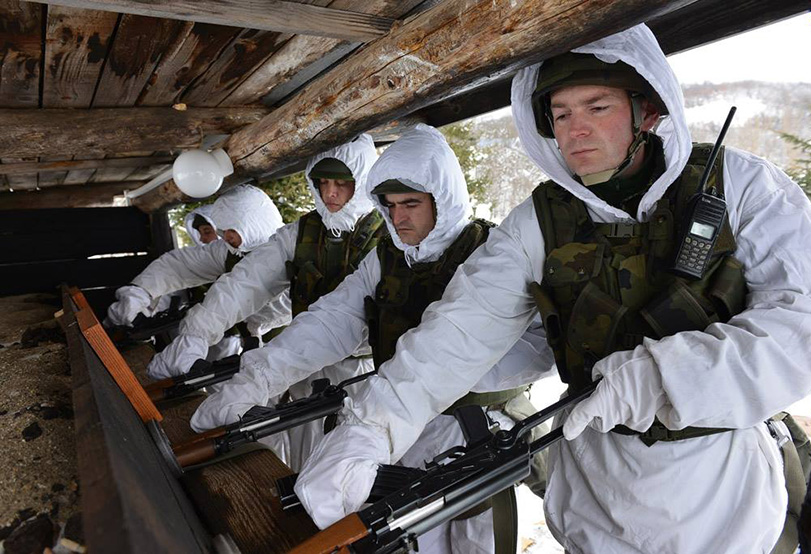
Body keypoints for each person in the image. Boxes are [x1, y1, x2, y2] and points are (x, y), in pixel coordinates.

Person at [293, 24, 811, 554]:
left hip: (722, 482)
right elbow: (457, 331)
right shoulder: (542, 221)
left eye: (598, 108)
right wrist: (368, 429)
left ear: (649, 111)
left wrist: (659, 379)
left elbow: (803, 329)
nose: (577, 132)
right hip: (594, 485)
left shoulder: (741, 187)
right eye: (562, 114)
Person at [191, 124, 555, 553]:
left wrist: (439, 378)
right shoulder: (387, 259)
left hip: (473, 432)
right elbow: (331, 320)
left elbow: (540, 348)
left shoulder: (493, 251)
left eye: (411, 203)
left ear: (443, 198)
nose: (398, 218)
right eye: (389, 204)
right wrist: (257, 378)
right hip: (398, 424)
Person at [146, 135, 386, 467]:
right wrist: (198, 331)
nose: (330, 193)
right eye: (323, 181)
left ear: (361, 183)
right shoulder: (303, 232)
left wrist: (259, 377)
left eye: (342, 183)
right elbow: (248, 280)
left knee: (348, 467)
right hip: (303, 370)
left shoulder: (388, 239)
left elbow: (346, 320)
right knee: (298, 460)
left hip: (360, 372)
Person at [104, 185, 290, 362]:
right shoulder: (230, 251)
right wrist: (140, 293)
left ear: (250, 223)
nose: (225, 237)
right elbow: (180, 266)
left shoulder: (291, 259)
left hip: (268, 347)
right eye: (222, 231)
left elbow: (265, 310)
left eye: (231, 230)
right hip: (217, 334)